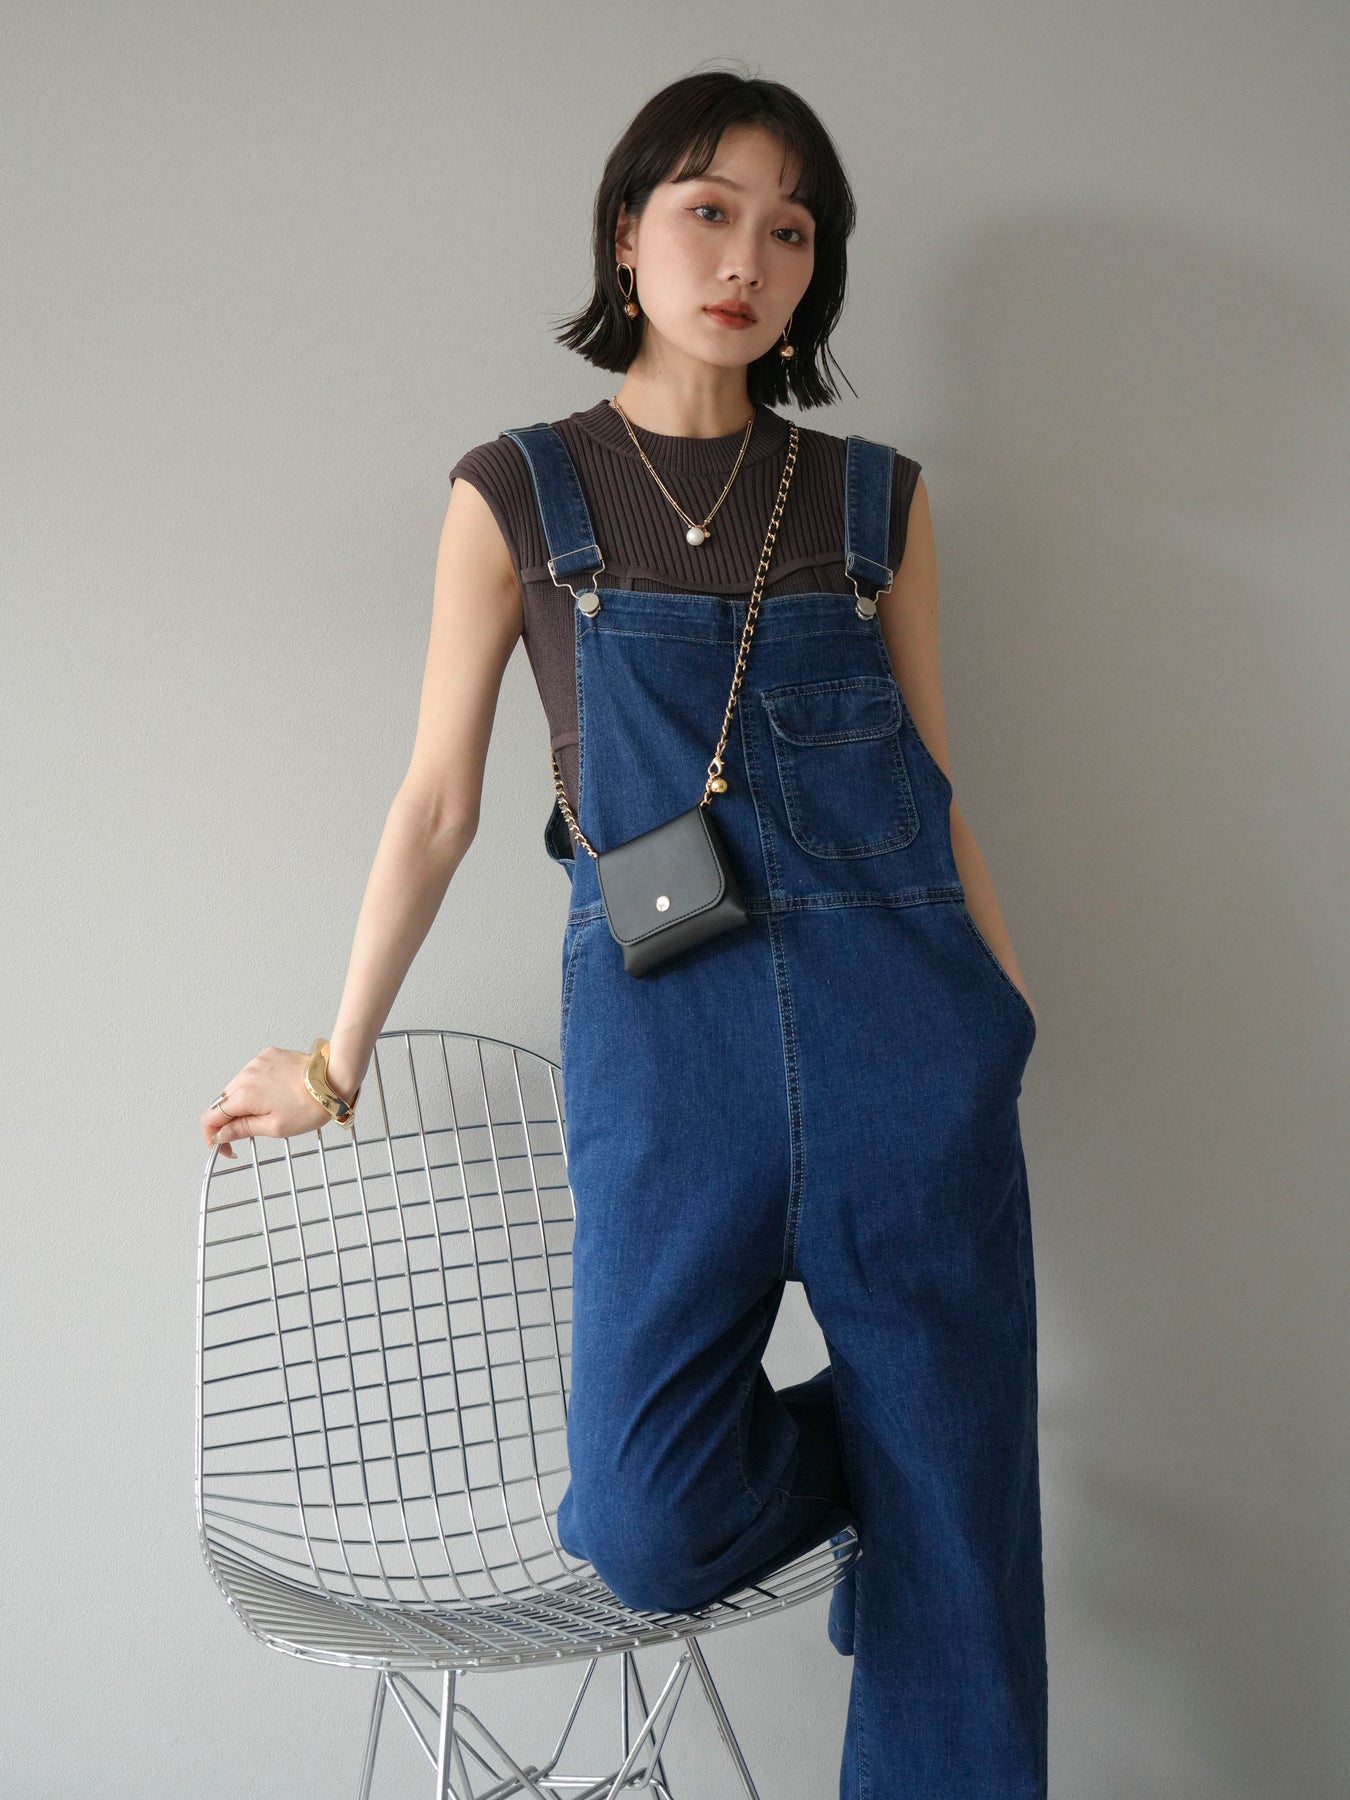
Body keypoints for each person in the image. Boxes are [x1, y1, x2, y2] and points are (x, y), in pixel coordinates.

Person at [200, 68, 1046, 1800]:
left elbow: (935, 780)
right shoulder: (520, 492)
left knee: (965, 1591)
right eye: (708, 212)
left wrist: (1002, 1015)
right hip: (671, 1065)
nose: (745, 260)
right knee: (649, 1517)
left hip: (908, 1048)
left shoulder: (872, 502)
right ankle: (915, 1462)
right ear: (627, 234)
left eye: (789, 232)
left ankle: (942, 1480)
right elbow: (436, 804)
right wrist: (334, 1061)